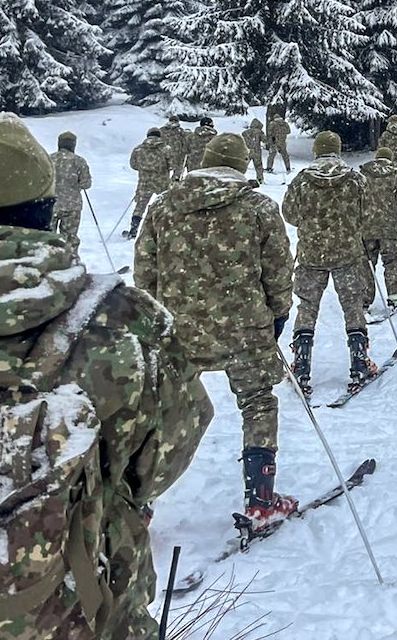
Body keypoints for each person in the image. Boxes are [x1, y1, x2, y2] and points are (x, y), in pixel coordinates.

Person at [0, 112, 211, 640]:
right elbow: (166, 456)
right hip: (86, 599)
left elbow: (135, 163)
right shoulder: (125, 318)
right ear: (43, 209)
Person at [135, 133, 298, 530]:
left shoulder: (163, 207)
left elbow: (144, 272)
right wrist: (278, 314)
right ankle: (261, 500)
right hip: (245, 329)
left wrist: (156, 321)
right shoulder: (258, 207)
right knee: (258, 402)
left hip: (179, 331)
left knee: (166, 411)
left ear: (203, 161)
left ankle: (138, 500)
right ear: (241, 166)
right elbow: (279, 269)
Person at [282, 131, 375, 395]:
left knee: (307, 306)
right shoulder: (355, 179)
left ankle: (301, 365)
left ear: (316, 150)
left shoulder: (302, 180)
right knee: (352, 305)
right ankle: (359, 362)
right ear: (338, 149)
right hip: (347, 254)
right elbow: (368, 213)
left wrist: (312, 224)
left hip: (312, 254)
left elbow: (289, 213)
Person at [360, 146, 397, 308]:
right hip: (388, 227)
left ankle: (364, 299)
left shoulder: (363, 175)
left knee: (367, 263)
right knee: (391, 261)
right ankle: (395, 295)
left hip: (367, 227)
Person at [48, 130, 92, 253]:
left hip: (51, 204)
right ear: (73, 145)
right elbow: (86, 184)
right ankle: (70, 260)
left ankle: (49, 258)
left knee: (48, 236)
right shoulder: (79, 161)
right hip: (72, 205)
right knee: (70, 237)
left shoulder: (49, 159)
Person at [124, 126, 171, 239]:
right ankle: (165, 229)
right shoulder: (166, 148)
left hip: (144, 181)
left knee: (140, 205)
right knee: (165, 204)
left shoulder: (138, 149)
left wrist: (144, 169)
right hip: (161, 181)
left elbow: (133, 164)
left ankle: (134, 229)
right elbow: (173, 164)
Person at [159, 114, 189, 181]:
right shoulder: (180, 131)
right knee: (178, 170)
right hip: (177, 154)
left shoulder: (161, 130)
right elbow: (185, 142)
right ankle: (175, 182)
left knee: (164, 169)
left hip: (164, 154)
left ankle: (164, 182)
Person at [242, 117, 266, 183]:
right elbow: (265, 140)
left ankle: (240, 177)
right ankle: (260, 179)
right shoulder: (259, 132)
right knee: (258, 166)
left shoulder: (245, 133)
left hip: (247, 151)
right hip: (256, 151)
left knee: (243, 165)